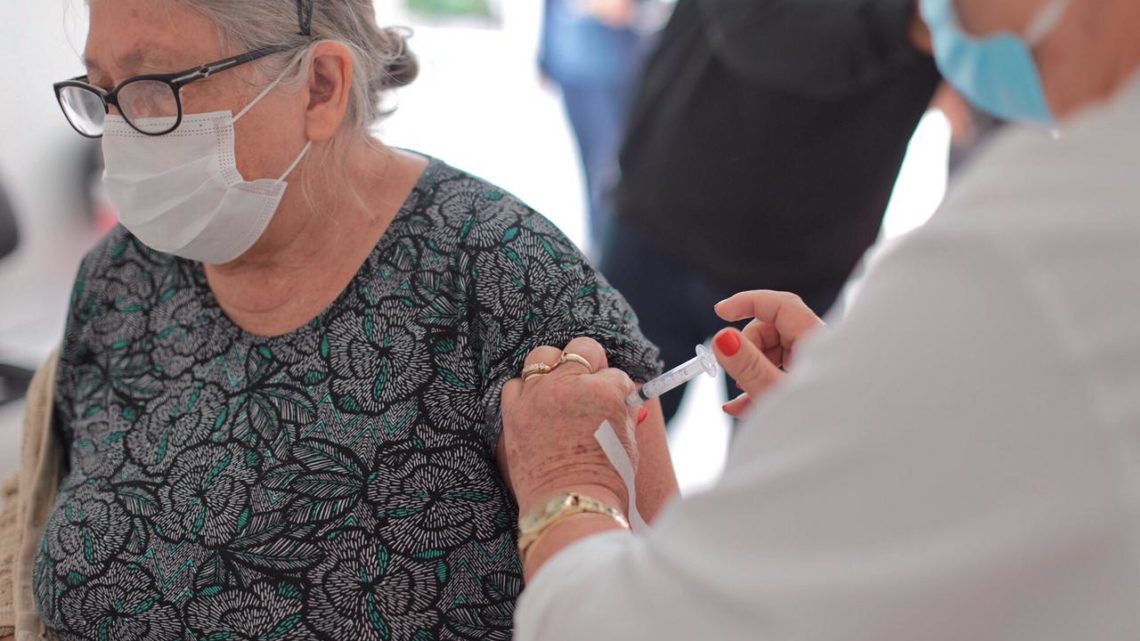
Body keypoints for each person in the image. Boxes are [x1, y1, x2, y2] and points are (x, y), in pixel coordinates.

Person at [0, 0, 678, 639]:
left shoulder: (509, 279)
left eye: (154, 87)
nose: (124, 133)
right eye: (103, 90)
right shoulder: (123, 277)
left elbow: (655, 604)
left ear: (320, 86)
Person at [498, 0, 1140, 639]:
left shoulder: (1033, 251)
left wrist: (565, 486)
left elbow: (661, 624)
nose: (959, 21)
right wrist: (873, 434)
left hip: (808, 248)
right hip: (673, 216)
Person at [601, 0, 941, 423]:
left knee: (774, 462)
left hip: (811, 253)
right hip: (667, 220)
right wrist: (912, 22)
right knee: (608, 438)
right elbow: (752, 25)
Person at [538, 0, 646, 248]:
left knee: (608, 166)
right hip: (569, 64)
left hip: (612, 67)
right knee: (591, 165)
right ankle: (599, 243)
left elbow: (622, 10)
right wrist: (545, 56)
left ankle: (611, 250)